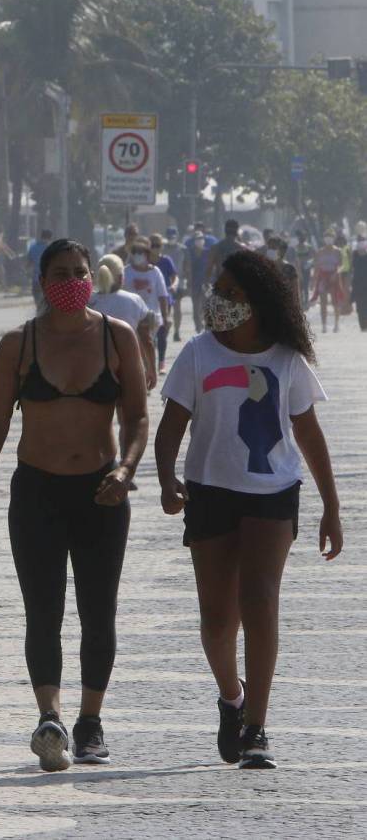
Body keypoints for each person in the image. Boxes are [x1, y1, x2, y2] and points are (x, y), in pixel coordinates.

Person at [0, 239, 148, 771]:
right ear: (43, 282)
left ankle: (90, 721)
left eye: (80, 271)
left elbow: (135, 416)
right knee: (42, 611)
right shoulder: (18, 346)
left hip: (101, 492)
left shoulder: (118, 338)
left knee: (98, 609)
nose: (71, 280)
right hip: (37, 492)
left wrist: (126, 469)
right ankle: (50, 716)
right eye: (60, 272)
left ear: (94, 276)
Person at [155, 250, 342, 770]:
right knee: (217, 618)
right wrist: (168, 478)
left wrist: (331, 505)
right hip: (209, 491)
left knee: (259, 600)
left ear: (257, 302)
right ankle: (232, 699)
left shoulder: (287, 359)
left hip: (272, 492)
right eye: (218, 289)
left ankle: (257, 726)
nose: (220, 300)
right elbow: (171, 427)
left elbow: (308, 432)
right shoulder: (198, 353)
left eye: (231, 292)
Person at [90, 253, 156, 390]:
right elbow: (146, 340)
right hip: (129, 364)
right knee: (127, 409)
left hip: (95, 365)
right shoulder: (134, 300)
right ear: (121, 277)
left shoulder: (89, 303)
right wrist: (151, 369)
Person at [123, 237, 170, 374]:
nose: (138, 256)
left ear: (147, 255)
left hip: (151, 317)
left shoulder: (155, 272)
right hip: (131, 316)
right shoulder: (126, 271)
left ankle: (148, 372)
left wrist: (165, 317)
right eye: (135, 253)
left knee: (148, 345)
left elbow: (162, 296)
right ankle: (142, 374)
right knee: (136, 347)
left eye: (141, 253)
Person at [149, 233, 177, 374]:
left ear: (162, 247)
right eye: (152, 245)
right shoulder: (145, 262)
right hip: (147, 301)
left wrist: (173, 286)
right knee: (148, 335)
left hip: (165, 300)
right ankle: (149, 362)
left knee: (162, 332)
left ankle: (161, 362)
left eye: (158, 245)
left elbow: (174, 276)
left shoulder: (166, 261)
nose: (155, 248)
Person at [310, 231, 344, 333]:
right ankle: (324, 325)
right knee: (323, 302)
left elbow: (341, 265)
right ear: (324, 239)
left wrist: (336, 273)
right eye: (326, 237)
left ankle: (336, 324)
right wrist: (313, 280)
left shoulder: (338, 251)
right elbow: (316, 267)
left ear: (333, 238)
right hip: (323, 278)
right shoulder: (320, 252)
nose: (328, 239)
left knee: (335, 301)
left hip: (334, 277)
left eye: (330, 237)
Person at [184, 231, 211, 333]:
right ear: (193, 241)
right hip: (194, 283)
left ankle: (206, 328)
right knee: (196, 308)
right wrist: (188, 282)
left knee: (205, 307)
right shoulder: (189, 252)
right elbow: (187, 267)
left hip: (206, 283)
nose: (200, 241)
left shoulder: (208, 252)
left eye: (201, 238)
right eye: (197, 239)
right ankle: (198, 328)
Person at [206, 218, 245, 284]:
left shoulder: (215, 247)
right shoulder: (242, 248)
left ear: (225, 231)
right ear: (237, 231)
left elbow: (209, 267)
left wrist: (206, 282)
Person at [164, 226, 186, 341]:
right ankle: (164, 332)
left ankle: (177, 332)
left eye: (173, 236)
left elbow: (186, 265)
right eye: (169, 237)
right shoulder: (163, 249)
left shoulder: (182, 249)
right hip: (165, 282)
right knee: (166, 309)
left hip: (179, 282)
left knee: (177, 308)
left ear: (177, 236)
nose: (171, 238)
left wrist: (188, 280)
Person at [265, 236, 300, 301]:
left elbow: (295, 292)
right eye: (269, 248)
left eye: (274, 248)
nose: (271, 250)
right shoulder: (262, 268)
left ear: (282, 251)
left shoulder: (290, 269)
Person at [26, 228, 53, 311]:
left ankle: (40, 316)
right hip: (49, 280)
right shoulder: (51, 249)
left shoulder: (33, 247)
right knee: (48, 304)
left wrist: (26, 272)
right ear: (50, 238)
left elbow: (28, 264)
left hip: (36, 280)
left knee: (38, 303)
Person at [294, 229, 315, 310]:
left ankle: (306, 302)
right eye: (300, 236)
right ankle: (301, 302)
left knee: (305, 286)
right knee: (300, 286)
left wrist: (309, 263)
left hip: (306, 268)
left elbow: (312, 257)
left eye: (303, 236)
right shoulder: (296, 247)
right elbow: (295, 258)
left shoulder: (309, 247)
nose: (301, 238)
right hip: (298, 268)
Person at [351, 234, 367, 331]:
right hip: (357, 283)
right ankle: (363, 325)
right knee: (359, 306)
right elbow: (352, 268)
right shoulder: (354, 254)